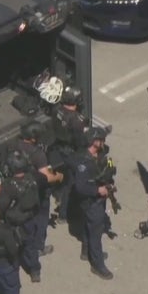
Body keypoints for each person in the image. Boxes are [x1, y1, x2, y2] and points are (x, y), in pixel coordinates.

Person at [15, 121, 63, 258]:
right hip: (37, 191)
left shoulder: (16, 145)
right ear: (33, 138)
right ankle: (38, 247)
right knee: (41, 218)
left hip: (20, 187)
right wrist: (59, 176)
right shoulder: (38, 154)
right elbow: (46, 177)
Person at [73, 126, 114, 280]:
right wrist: (98, 190)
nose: (104, 142)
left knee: (87, 225)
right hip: (91, 202)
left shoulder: (101, 154)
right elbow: (80, 187)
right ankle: (97, 265)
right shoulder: (84, 162)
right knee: (96, 232)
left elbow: (109, 166)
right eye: (101, 139)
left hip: (98, 199)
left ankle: (86, 251)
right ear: (94, 141)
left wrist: (110, 177)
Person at [0, 150, 43, 282]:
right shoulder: (32, 178)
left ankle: (14, 267)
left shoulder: (9, 184)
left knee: (13, 247)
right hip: (29, 218)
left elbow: (3, 205)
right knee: (30, 246)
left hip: (14, 221)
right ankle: (35, 271)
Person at [50, 86, 87, 223]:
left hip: (58, 147)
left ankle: (58, 195)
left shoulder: (56, 110)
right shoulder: (77, 120)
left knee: (64, 176)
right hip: (72, 152)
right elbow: (81, 141)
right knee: (71, 183)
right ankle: (63, 214)